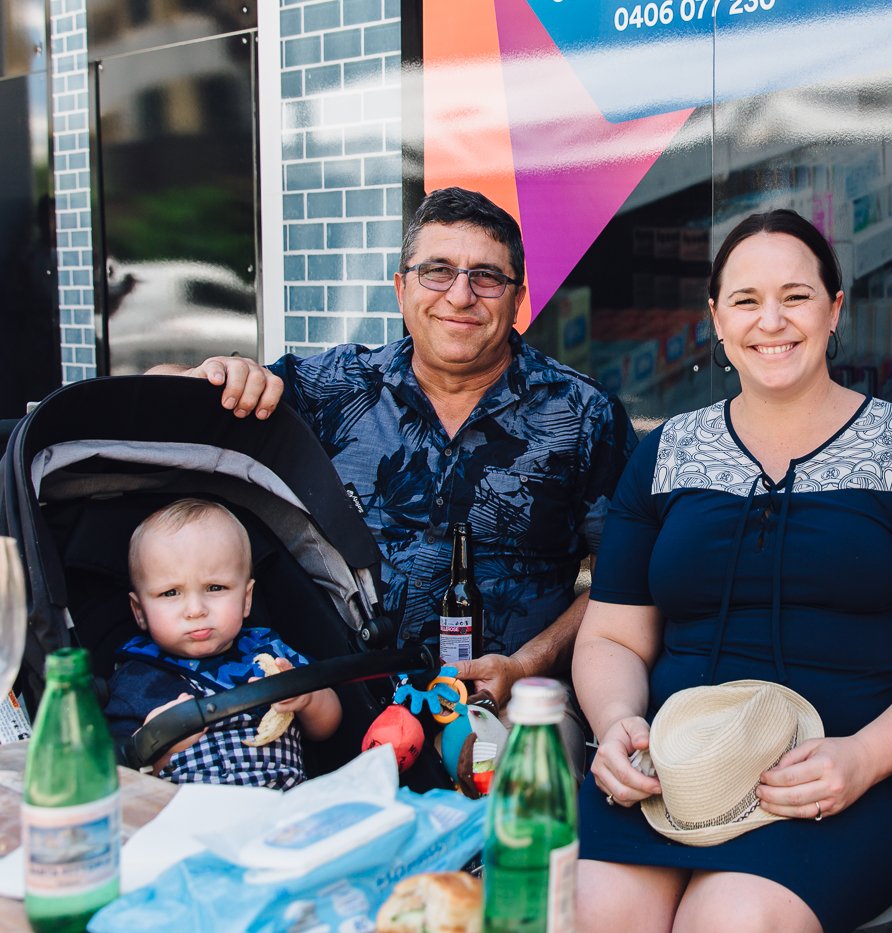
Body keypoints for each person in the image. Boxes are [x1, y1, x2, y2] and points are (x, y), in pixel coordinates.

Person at [573, 209, 892, 932]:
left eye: (796, 296)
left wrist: (863, 758)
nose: (772, 320)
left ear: (835, 310)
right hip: (679, 767)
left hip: (845, 780)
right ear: (716, 319)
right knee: (590, 910)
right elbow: (611, 636)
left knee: (730, 920)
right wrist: (617, 725)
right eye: (746, 300)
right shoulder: (666, 453)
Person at [154, 188, 635, 765]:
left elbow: (623, 582)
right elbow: (160, 400)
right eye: (436, 272)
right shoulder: (329, 388)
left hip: (510, 697)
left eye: (487, 277)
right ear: (401, 288)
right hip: (341, 693)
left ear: (518, 299)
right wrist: (211, 375)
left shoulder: (583, 414)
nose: (460, 296)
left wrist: (526, 664)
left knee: (528, 772)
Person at [104, 498, 342, 788]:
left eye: (215, 588)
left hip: (285, 807)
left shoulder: (269, 651)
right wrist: (153, 742)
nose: (195, 610)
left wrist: (308, 699)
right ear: (140, 611)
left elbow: (326, 728)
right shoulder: (135, 678)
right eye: (170, 593)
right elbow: (120, 774)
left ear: (246, 599)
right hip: (190, 815)